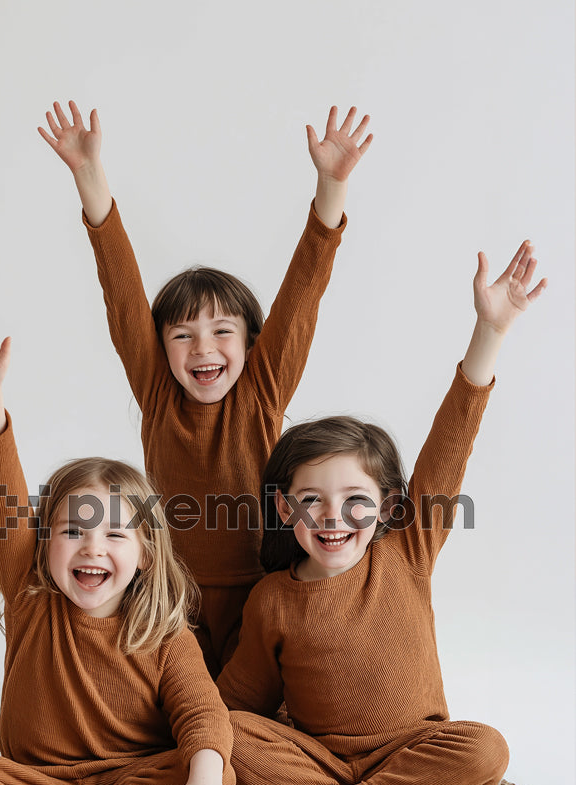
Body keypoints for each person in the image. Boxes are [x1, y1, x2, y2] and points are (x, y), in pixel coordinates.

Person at [216, 241, 547, 785]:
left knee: (487, 752)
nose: (332, 517)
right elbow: (239, 704)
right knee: (224, 735)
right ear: (285, 509)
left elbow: (450, 447)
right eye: (311, 500)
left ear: (390, 507)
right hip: (318, 757)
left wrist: (490, 331)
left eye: (355, 501)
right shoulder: (273, 598)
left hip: (417, 750)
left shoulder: (406, 551)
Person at [39, 100, 372, 676]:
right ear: (160, 347)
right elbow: (122, 296)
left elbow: (303, 295)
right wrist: (88, 175)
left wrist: (330, 190)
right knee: (176, 712)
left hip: (260, 589)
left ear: (250, 344)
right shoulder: (157, 392)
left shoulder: (263, 389)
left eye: (222, 332)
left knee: (256, 710)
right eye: (183, 335)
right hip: (173, 594)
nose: (203, 350)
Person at [0, 302, 235, 785]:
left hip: (135, 775)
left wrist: (203, 777)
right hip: (33, 781)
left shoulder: (163, 630)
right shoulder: (32, 597)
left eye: (114, 534)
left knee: (215, 767)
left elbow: (202, 712)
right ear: (42, 544)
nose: (92, 548)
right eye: (73, 531)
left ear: (147, 554)